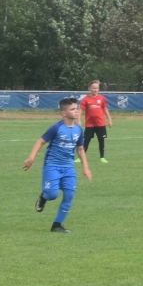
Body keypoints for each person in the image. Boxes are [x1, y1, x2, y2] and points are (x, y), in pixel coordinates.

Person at [23, 96, 93, 232]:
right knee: (52, 194)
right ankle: (43, 197)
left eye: (77, 108)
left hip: (68, 167)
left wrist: (85, 167)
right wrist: (31, 158)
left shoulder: (78, 129)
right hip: (52, 166)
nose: (76, 111)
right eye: (72, 109)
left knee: (69, 196)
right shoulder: (56, 128)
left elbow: (80, 149)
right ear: (64, 113)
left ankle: (57, 225)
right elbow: (40, 141)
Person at [81, 80, 112, 163]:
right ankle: (81, 157)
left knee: (101, 140)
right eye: (93, 88)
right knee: (86, 140)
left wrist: (109, 119)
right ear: (89, 88)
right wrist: (78, 120)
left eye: (97, 88)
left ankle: (102, 157)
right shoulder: (85, 99)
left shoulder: (101, 98)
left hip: (100, 124)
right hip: (89, 124)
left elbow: (105, 109)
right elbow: (80, 109)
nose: (95, 90)